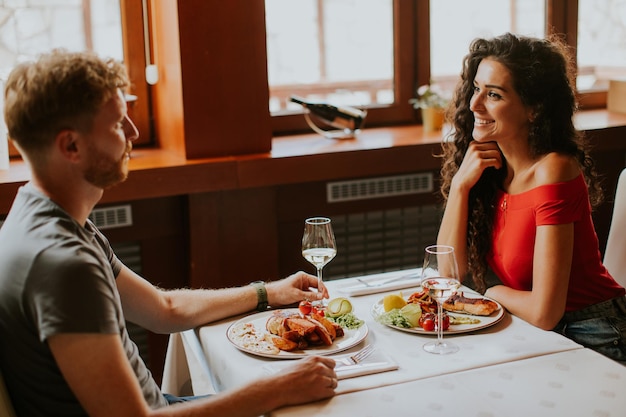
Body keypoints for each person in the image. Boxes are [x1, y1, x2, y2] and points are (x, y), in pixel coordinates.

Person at [0, 49, 338, 417]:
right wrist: (271, 391)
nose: (134, 131)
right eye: (117, 124)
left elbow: (163, 309)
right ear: (71, 146)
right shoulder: (63, 265)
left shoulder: (44, 217)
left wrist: (267, 292)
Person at [437, 32, 626, 364]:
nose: (475, 104)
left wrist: (491, 294)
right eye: (477, 88)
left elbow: (544, 312)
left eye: (493, 94)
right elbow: (449, 274)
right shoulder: (493, 170)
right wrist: (461, 187)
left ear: (534, 109)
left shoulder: (554, 169)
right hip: (544, 336)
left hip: (600, 334)